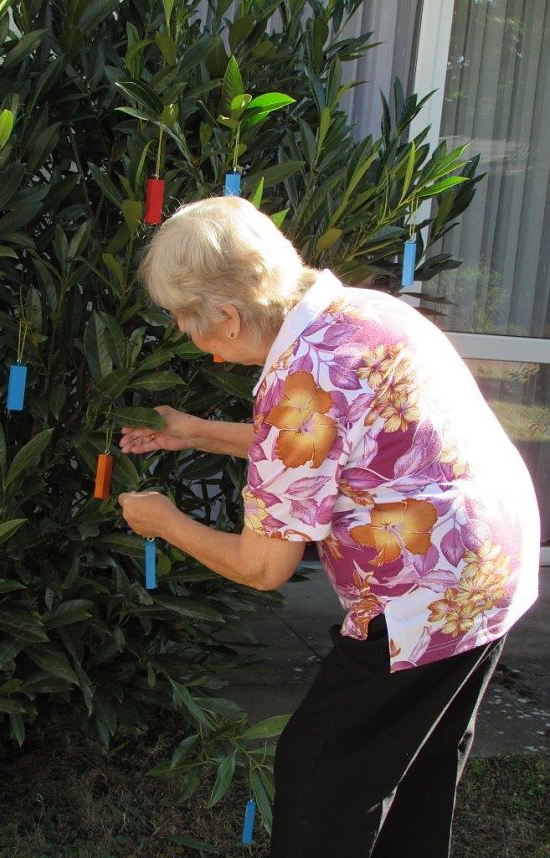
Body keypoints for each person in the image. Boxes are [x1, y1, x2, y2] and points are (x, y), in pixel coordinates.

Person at [117, 196, 539, 858]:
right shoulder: (359, 312)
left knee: (322, 778)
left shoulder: (297, 380)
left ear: (224, 316)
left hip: (425, 592)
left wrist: (162, 521)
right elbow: (320, 438)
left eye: (180, 316)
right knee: (416, 764)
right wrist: (196, 433)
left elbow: (264, 567)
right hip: (491, 563)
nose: (180, 331)